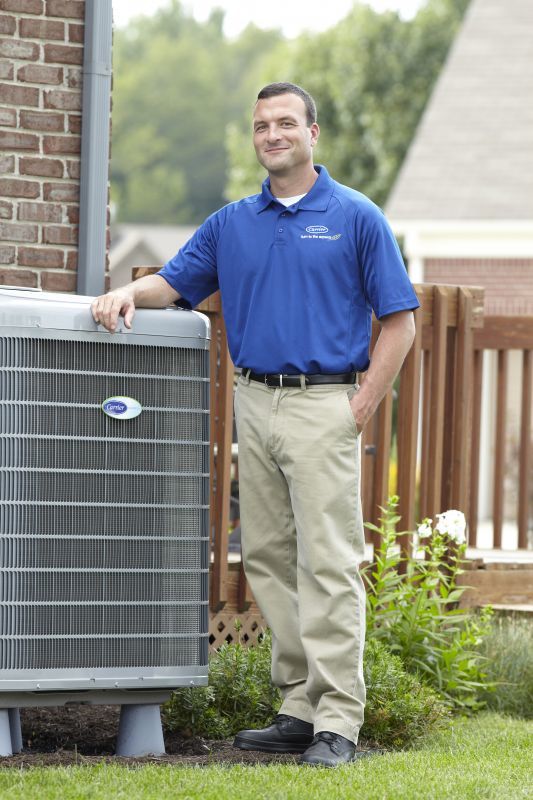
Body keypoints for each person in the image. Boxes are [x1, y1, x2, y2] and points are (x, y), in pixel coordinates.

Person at [92, 82, 419, 767]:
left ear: (312, 133)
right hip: (254, 402)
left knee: (328, 563)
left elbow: (399, 322)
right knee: (268, 558)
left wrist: (359, 406)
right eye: (262, 125)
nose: (273, 134)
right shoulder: (232, 223)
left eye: (285, 123)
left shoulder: (356, 217)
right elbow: (173, 282)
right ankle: (298, 707)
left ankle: (338, 719)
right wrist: (127, 290)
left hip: (323, 403)